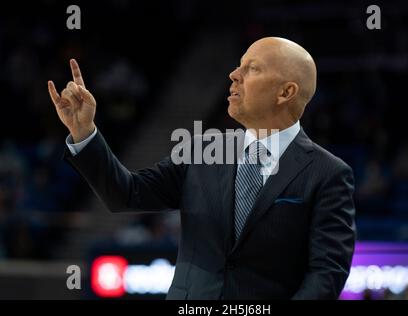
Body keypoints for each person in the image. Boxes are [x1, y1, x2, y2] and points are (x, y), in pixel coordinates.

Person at [48, 37, 356, 299]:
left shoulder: (328, 174)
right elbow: (126, 194)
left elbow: (326, 274)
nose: (234, 75)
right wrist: (85, 132)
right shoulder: (202, 149)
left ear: (285, 92)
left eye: (252, 68)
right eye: (239, 64)